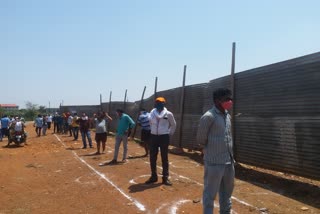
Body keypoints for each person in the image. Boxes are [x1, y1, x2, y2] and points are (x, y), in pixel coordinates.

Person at [196, 88, 235, 214]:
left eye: (230, 99)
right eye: (226, 99)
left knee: (227, 193)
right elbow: (201, 139)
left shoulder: (227, 115)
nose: (229, 101)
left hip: (229, 162)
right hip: (214, 162)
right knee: (210, 193)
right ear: (217, 101)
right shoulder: (208, 117)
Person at [145, 97, 176, 186]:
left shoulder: (168, 114)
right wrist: (153, 130)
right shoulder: (152, 113)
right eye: (157, 102)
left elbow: (173, 124)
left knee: (164, 158)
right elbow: (150, 122)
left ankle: (165, 178)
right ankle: (153, 176)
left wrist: (169, 133)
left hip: (164, 137)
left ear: (164, 103)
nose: (159, 104)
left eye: (161, 102)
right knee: (152, 157)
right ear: (155, 104)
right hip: (154, 137)